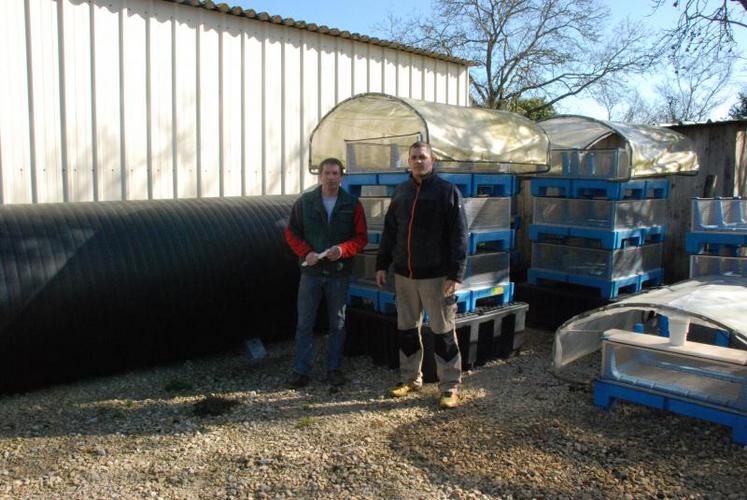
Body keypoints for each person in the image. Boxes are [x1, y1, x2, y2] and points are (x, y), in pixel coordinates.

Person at [375, 141, 468, 409]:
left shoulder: (447, 192)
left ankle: (449, 386)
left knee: (443, 331)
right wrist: (382, 264)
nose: (418, 161)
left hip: (437, 277)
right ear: (408, 161)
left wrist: (455, 273)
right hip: (404, 276)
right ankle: (410, 379)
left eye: (423, 157)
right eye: (414, 157)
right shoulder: (401, 192)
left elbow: (459, 236)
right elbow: (390, 232)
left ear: (432, 160)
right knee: (406, 329)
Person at [284, 157, 368, 388]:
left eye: (335, 173)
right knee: (305, 323)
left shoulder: (352, 204)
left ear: (342, 177)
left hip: (338, 273)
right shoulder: (306, 202)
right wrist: (306, 253)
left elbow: (361, 238)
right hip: (311, 272)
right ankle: (301, 370)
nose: (331, 177)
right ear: (319, 176)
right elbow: (291, 232)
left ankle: (334, 368)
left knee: (337, 323)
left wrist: (342, 250)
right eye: (327, 173)